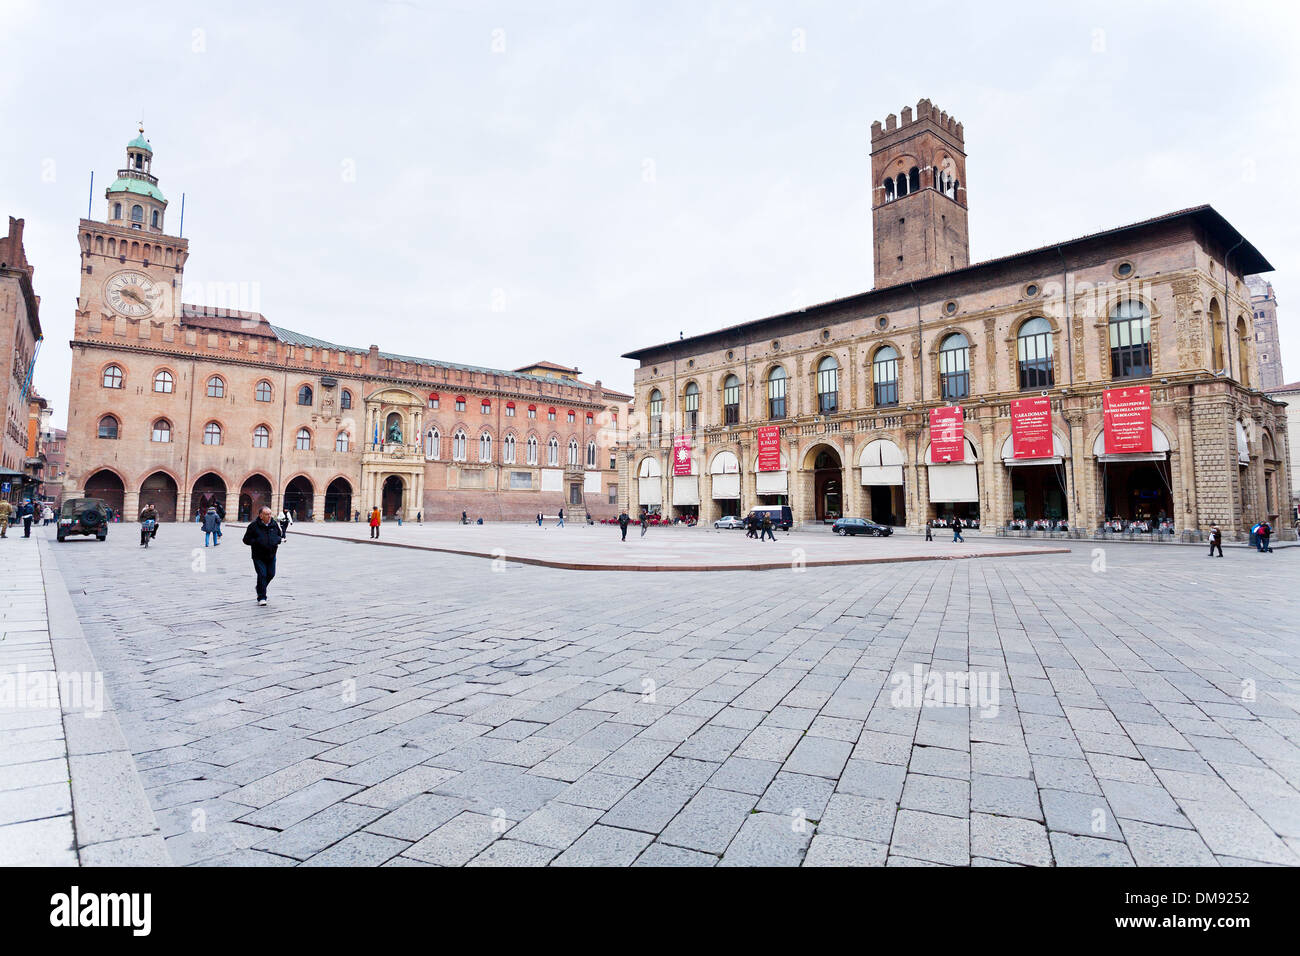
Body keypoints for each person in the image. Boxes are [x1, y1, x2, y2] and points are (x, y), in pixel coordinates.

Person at [243, 506, 284, 606]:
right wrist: (257, 542)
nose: (270, 516)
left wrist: (278, 540)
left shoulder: (274, 524)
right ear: (261, 516)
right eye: (267, 514)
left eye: (270, 514)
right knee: (262, 575)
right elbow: (246, 539)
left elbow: (279, 534)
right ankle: (261, 597)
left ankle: (260, 587)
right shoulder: (253, 526)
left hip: (271, 554)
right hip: (258, 555)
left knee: (271, 574)